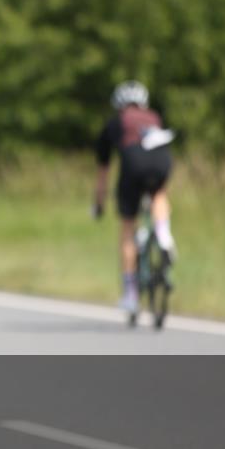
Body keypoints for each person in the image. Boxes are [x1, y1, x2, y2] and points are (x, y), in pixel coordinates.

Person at [94, 80, 176, 315]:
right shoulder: (154, 116)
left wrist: (98, 204)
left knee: (128, 227)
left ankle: (130, 293)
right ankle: (163, 234)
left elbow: (103, 172)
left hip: (132, 163)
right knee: (158, 193)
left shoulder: (115, 123)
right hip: (161, 160)